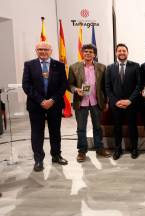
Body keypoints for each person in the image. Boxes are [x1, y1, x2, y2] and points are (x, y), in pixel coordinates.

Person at [22, 41, 68, 172]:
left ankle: (56, 155)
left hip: (55, 105)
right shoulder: (29, 65)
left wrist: (52, 100)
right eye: (40, 49)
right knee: (37, 133)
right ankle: (38, 160)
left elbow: (63, 85)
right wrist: (41, 101)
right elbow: (26, 85)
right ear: (36, 51)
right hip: (36, 105)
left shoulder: (59, 65)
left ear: (51, 51)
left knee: (55, 131)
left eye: (45, 49)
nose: (43, 52)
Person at [68, 44, 111, 162]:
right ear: (82, 53)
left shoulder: (102, 67)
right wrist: (76, 90)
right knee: (81, 128)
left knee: (97, 127)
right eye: (85, 51)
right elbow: (69, 85)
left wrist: (106, 101)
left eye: (90, 52)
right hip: (81, 103)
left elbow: (104, 86)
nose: (88, 53)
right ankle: (82, 151)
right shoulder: (74, 67)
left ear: (94, 54)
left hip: (96, 102)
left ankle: (99, 148)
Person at [105, 43, 141, 160]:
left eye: (124, 51)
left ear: (127, 52)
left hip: (131, 103)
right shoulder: (110, 68)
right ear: (116, 53)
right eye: (119, 51)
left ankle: (134, 148)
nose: (121, 53)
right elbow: (107, 87)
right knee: (117, 127)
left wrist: (129, 100)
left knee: (132, 127)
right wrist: (115, 101)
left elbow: (138, 86)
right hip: (116, 104)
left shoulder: (135, 66)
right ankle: (117, 149)